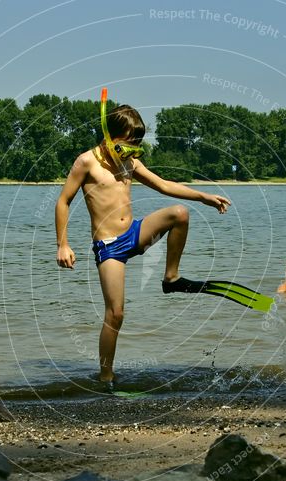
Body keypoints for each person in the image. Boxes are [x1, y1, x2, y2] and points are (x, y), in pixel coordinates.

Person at [55, 96, 231, 384]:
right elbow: (63, 202)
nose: (131, 150)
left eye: (135, 145)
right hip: (110, 246)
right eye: (126, 143)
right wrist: (62, 244)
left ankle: (171, 278)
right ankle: (106, 376)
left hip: (134, 234)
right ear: (109, 136)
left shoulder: (130, 163)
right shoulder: (86, 162)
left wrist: (204, 196)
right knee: (116, 312)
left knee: (180, 214)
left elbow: (163, 185)